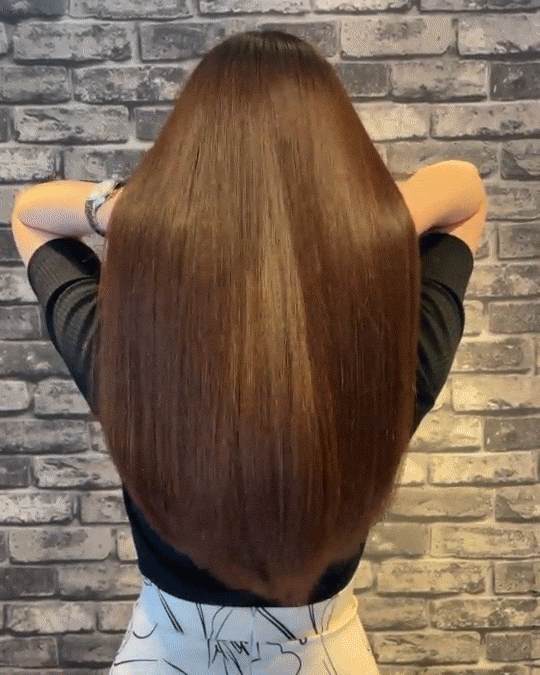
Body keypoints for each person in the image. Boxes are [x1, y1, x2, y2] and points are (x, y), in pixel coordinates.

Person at [10, 29, 487, 675]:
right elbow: (462, 190)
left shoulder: (129, 352)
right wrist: (358, 221)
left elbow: (31, 213)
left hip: (164, 655)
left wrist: (140, 213)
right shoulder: (391, 353)